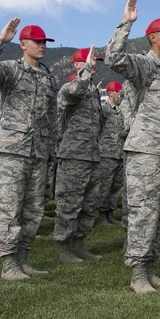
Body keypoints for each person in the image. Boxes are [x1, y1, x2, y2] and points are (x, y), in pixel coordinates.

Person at [104, 0, 160, 294]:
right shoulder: (144, 65)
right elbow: (113, 59)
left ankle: (150, 268)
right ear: (153, 39)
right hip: (145, 151)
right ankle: (137, 273)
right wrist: (126, 23)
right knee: (144, 211)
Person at [0, 20, 58, 280]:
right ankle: (8, 263)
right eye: (37, 42)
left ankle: (23, 259)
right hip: (11, 149)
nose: (42, 46)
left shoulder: (47, 76)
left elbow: (50, 116)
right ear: (23, 45)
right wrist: (0, 42)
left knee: (33, 209)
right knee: (9, 207)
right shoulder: (11, 70)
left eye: (45, 42)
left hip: (37, 151)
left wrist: (50, 146)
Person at [54, 47, 105, 263]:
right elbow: (74, 91)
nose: (93, 64)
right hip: (74, 156)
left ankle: (79, 243)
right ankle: (65, 248)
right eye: (89, 61)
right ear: (76, 65)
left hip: (92, 155)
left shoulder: (92, 92)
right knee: (69, 202)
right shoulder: (70, 88)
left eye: (95, 61)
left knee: (88, 203)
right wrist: (84, 73)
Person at [95, 81, 126, 226]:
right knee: (105, 185)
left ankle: (110, 212)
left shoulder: (123, 109)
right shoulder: (104, 108)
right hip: (107, 153)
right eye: (118, 91)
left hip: (120, 152)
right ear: (111, 93)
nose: (121, 94)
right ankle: (102, 214)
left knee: (116, 185)